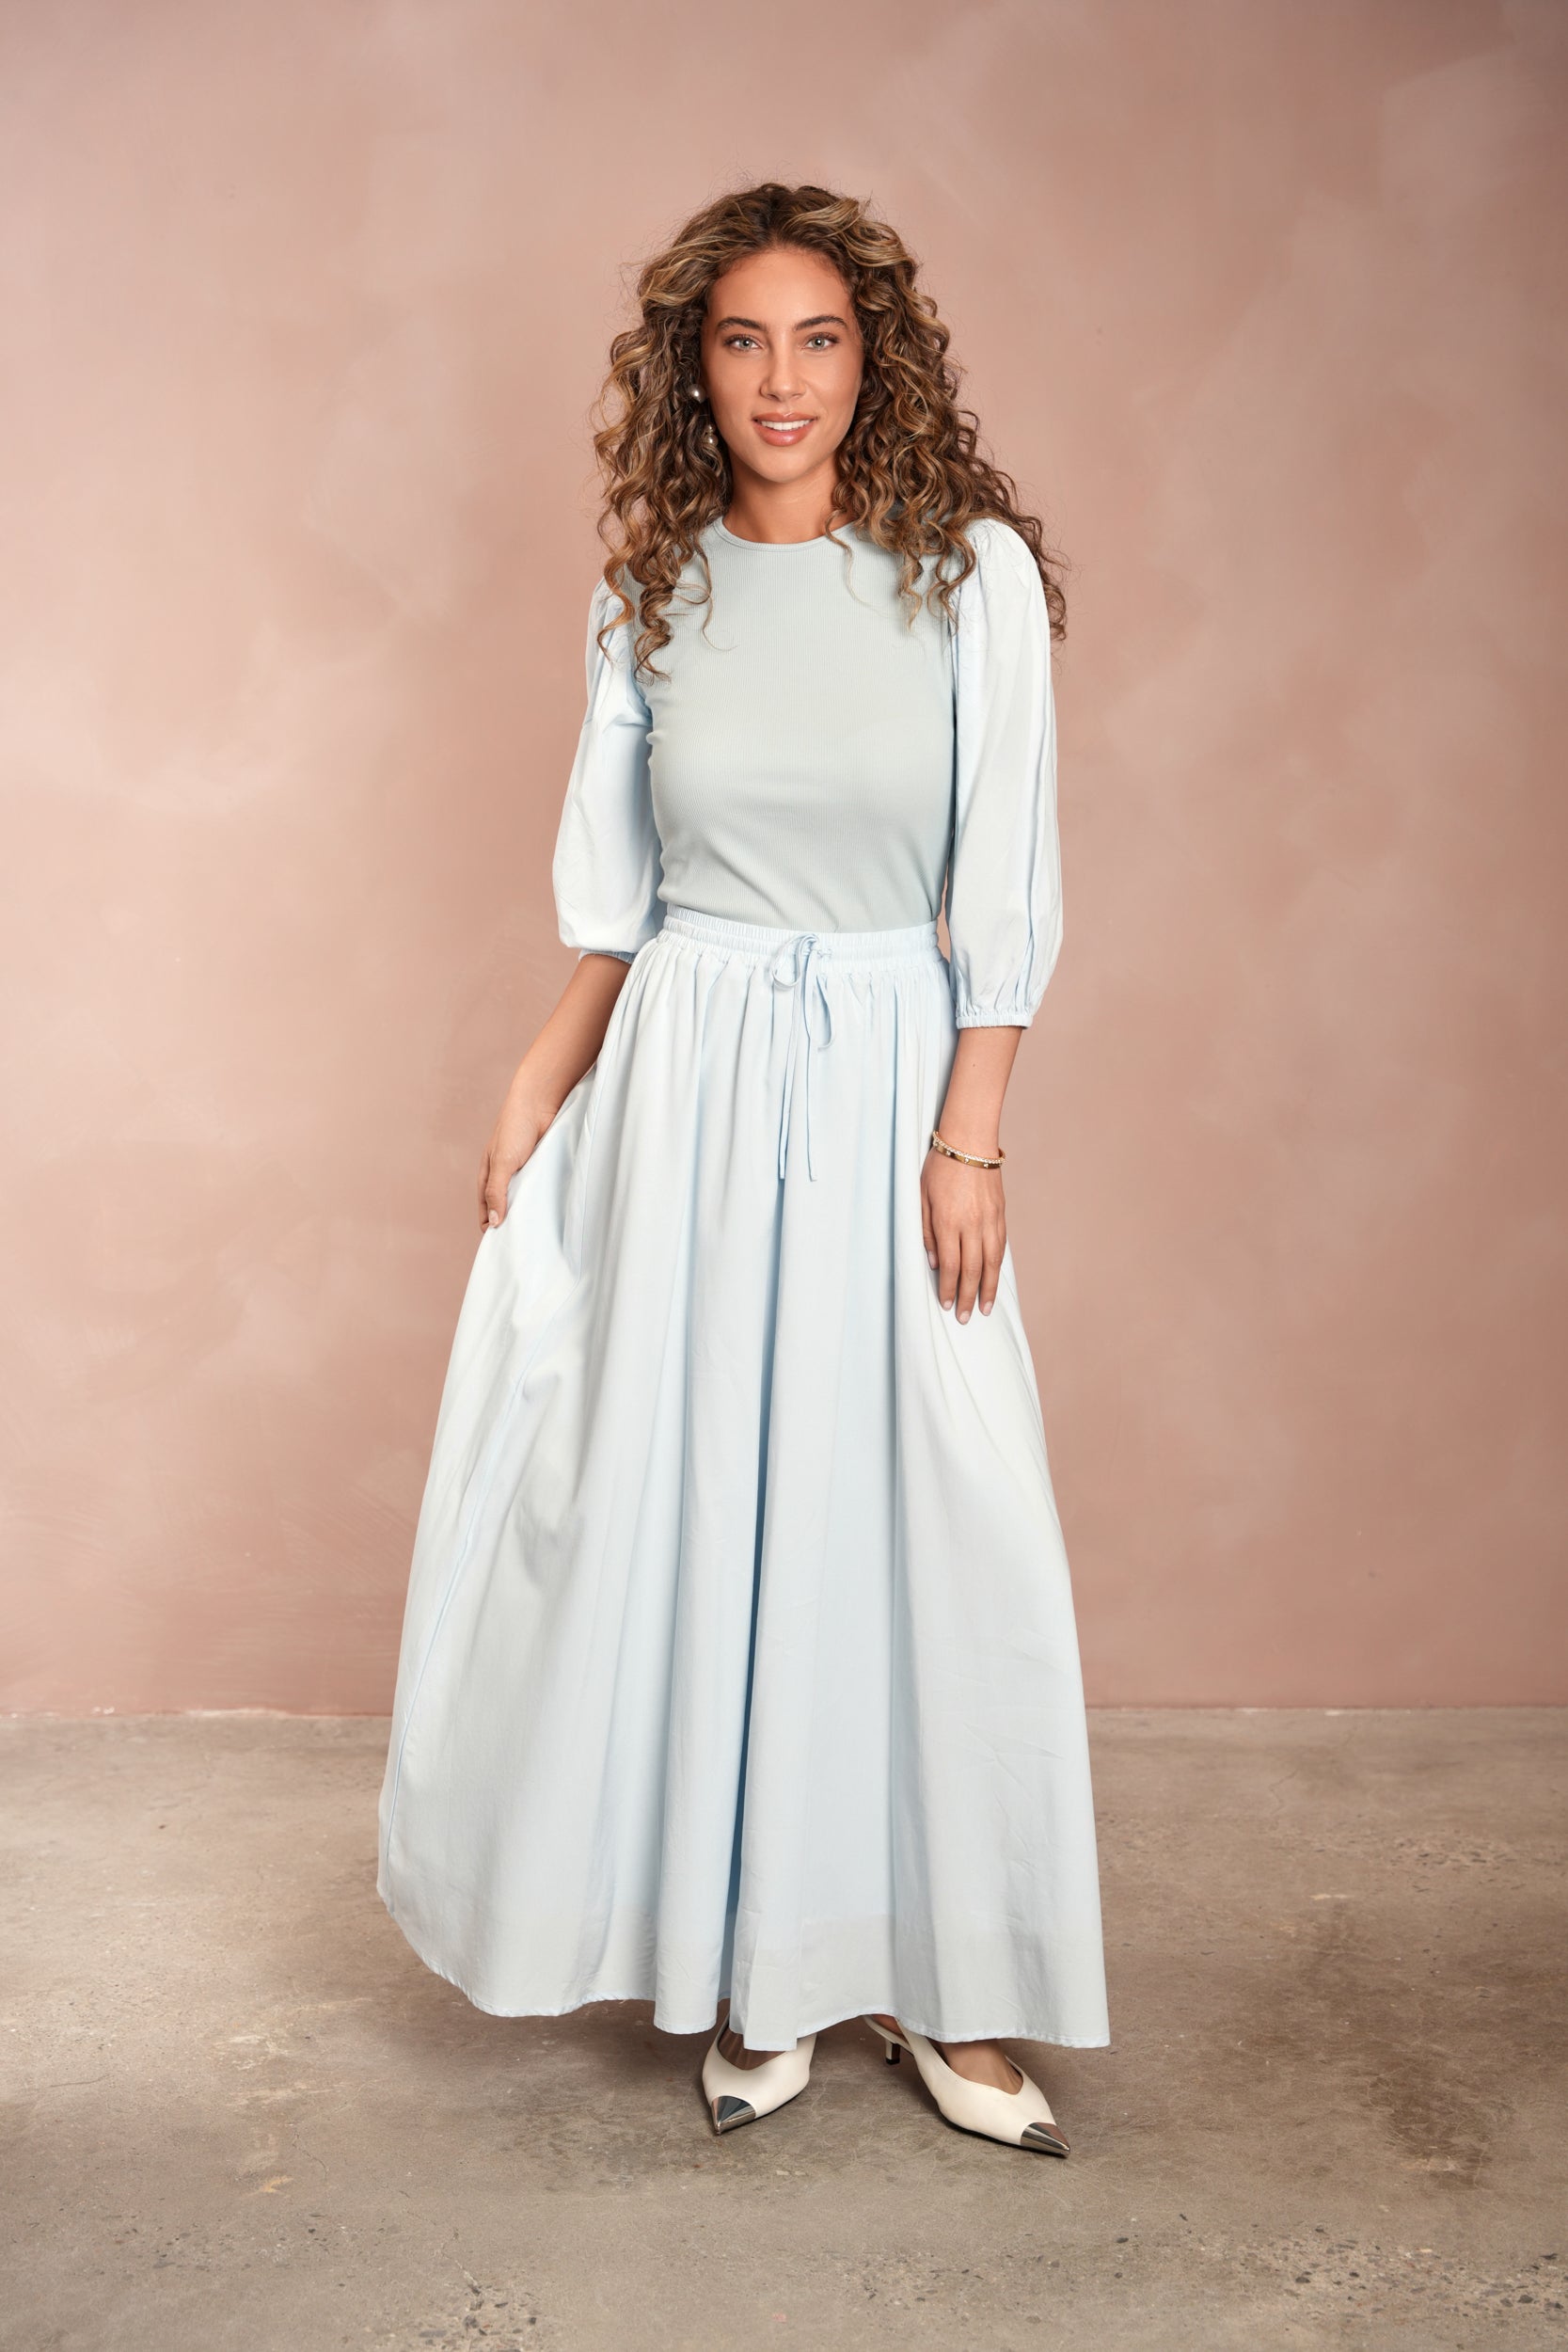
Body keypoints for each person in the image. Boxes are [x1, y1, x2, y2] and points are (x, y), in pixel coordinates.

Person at [376, 180, 1110, 2154]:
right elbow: (622, 908)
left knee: (932, 1515)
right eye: (741, 341)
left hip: (887, 1074)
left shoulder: (964, 582)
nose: (783, 379)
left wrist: (972, 1125)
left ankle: (950, 1989)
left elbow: (1006, 871)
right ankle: (761, 1974)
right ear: (693, 373)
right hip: (684, 1091)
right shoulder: (652, 595)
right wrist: (539, 1080)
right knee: (710, 1516)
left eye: (821, 339)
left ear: (876, 365)